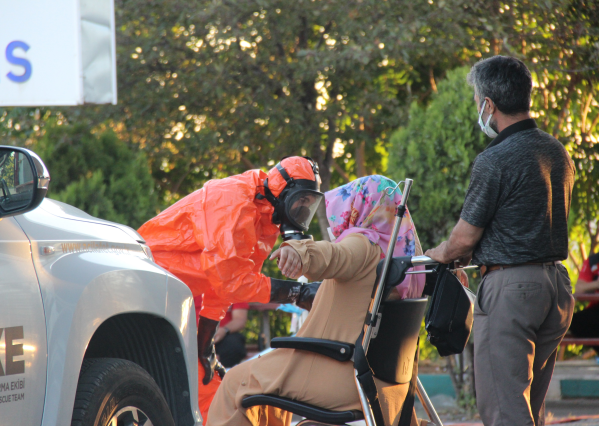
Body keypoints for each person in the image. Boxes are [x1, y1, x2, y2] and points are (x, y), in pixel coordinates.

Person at [424, 56, 575, 426]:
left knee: (504, 410)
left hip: (512, 290)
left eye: (479, 100)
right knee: (529, 409)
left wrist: (435, 254)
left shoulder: (495, 159)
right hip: (555, 286)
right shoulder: (556, 150)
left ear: (489, 104)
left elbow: (464, 238)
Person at [206, 175, 426, 426]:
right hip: (386, 385)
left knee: (235, 381)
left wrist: (297, 251)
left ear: (362, 205)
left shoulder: (364, 244)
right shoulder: (406, 259)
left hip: (337, 374)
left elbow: (333, 254)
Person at [138, 156, 324, 421]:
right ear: (285, 190)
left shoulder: (267, 219)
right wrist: (299, 293)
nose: (303, 211)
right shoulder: (231, 199)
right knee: (152, 387)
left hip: (174, 296)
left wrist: (205, 345)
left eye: (309, 204)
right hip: (146, 288)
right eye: (301, 201)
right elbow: (231, 280)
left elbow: (227, 289)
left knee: (208, 385)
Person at [568, 252, 599, 354]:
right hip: (595, 311)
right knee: (571, 321)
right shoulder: (593, 261)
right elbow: (579, 289)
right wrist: (596, 284)